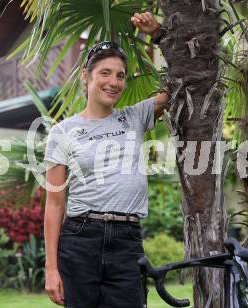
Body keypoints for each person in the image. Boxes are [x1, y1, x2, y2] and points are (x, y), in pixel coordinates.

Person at [43, 12, 168, 308]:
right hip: (80, 240)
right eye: (105, 73)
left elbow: (179, 87)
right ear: (86, 76)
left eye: (120, 75)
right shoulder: (63, 131)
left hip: (127, 240)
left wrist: (159, 36)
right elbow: (54, 203)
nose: (114, 82)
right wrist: (51, 268)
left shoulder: (134, 117)